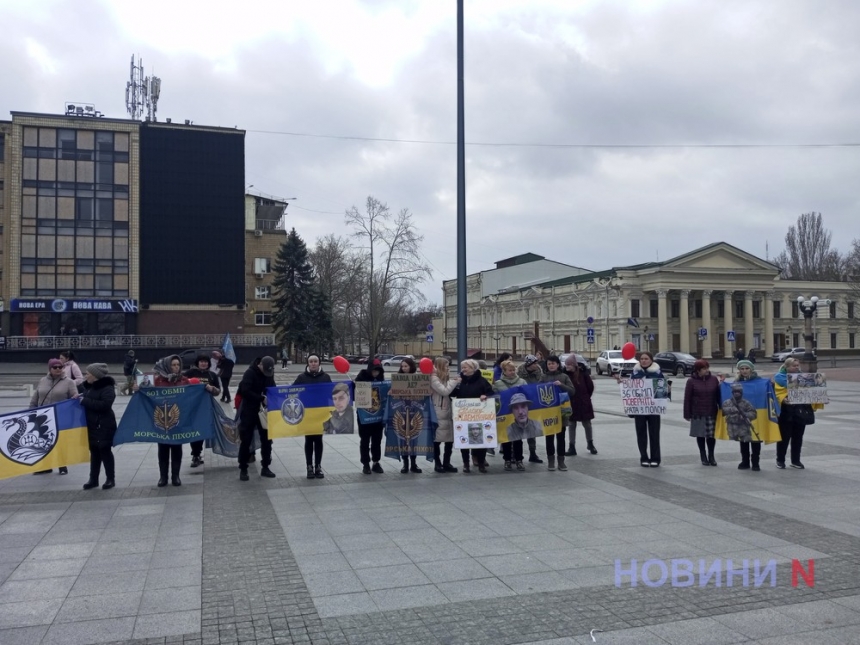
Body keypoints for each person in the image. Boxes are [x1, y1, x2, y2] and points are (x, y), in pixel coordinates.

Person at [29, 358, 78, 475]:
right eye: (55, 367)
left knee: (60, 441)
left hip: (60, 417)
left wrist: (75, 398)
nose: (58, 369)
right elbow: (35, 398)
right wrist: (31, 412)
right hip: (42, 417)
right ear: (50, 369)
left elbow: (74, 398)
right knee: (44, 441)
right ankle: (46, 466)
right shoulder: (43, 380)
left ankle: (62, 465)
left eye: (60, 367)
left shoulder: (69, 382)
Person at [450, 359, 494, 473]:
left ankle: (481, 463)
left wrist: (485, 395)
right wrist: (455, 383)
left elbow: (491, 393)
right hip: (463, 416)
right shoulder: (460, 381)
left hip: (479, 415)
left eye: (466, 367)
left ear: (473, 369)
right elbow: (451, 394)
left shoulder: (482, 381)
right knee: (463, 439)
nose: (463, 369)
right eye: (462, 367)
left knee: (480, 440)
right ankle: (466, 464)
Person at [78, 363, 118, 490]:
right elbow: (86, 398)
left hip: (104, 425)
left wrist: (84, 401)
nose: (85, 375)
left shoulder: (107, 388)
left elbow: (105, 405)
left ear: (95, 375)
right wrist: (80, 397)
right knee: (94, 452)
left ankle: (110, 479)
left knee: (105, 451)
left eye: (88, 373)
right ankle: (93, 479)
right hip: (92, 424)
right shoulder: (89, 388)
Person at [237, 356, 277, 480]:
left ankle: (265, 466)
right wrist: (261, 398)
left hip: (264, 412)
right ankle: (243, 468)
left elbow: (272, 387)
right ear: (259, 365)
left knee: (267, 439)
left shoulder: (269, 373)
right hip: (249, 410)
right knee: (246, 440)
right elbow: (245, 391)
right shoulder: (250, 373)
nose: (267, 374)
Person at [153, 355, 190, 486]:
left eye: (178, 365)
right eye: (173, 365)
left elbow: (191, 395)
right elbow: (149, 395)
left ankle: (176, 476)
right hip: (162, 420)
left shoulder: (184, 380)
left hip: (177, 420)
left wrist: (208, 388)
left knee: (176, 448)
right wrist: (138, 389)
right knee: (162, 449)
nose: (176, 367)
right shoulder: (158, 380)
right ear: (168, 366)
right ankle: (163, 477)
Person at [292, 354, 331, 479]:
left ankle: (318, 466)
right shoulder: (301, 377)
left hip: (320, 414)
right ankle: (309, 466)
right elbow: (292, 391)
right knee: (309, 440)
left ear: (319, 363)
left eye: (315, 361)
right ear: (308, 363)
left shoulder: (325, 377)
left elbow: (331, 392)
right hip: (307, 414)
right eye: (311, 361)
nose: (313, 363)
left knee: (318, 440)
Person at [774, 357, 813, 469]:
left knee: (798, 437)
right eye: (793, 366)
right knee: (784, 437)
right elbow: (776, 392)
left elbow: (810, 391)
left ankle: (796, 460)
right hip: (786, 411)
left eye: (797, 365)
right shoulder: (779, 377)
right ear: (787, 367)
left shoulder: (804, 378)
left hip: (800, 410)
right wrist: (783, 399)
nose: (796, 367)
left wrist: (819, 397)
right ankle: (780, 460)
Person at [627, 351, 664, 467]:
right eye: (642, 359)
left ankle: (655, 458)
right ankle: (643, 456)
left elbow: (662, 391)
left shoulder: (657, 373)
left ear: (651, 360)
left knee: (654, 434)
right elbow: (630, 391)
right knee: (641, 433)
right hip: (639, 409)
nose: (643, 361)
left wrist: (667, 388)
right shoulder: (635, 373)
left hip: (653, 409)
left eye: (646, 359)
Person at [184, 354, 222, 468]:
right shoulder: (189, 373)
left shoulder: (212, 375)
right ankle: (195, 455)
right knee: (194, 430)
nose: (203, 363)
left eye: (205, 362)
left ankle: (197, 453)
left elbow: (218, 391)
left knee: (201, 430)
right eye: (201, 361)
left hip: (206, 407)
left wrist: (212, 389)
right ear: (197, 363)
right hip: (193, 407)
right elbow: (181, 386)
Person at [728, 359, 764, 470]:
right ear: (739, 370)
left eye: (747, 368)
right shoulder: (736, 382)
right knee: (743, 438)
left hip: (756, 412)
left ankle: (756, 462)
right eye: (742, 369)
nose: (744, 371)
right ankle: (745, 461)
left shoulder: (759, 381)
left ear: (751, 369)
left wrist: (770, 385)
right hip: (741, 414)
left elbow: (763, 393)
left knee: (756, 439)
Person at [684, 359, 721, 467]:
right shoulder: (691, 381)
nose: (706, 370)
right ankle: (703, 456)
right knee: (700, 435)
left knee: (711, 436)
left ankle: (711, 456)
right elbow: (687, 398)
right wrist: (687, 414)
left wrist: (722, 409)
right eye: (704, 369)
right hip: (697, 412)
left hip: (711, 411)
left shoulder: (714, 379)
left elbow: (718, 395)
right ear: (698, 370)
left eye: (707, 368)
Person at [542, 355, 575, 472]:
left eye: (553, 363)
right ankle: (551, 460)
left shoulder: (564, 376)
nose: (551, 365)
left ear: (557, 365)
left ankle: (561, 461)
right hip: (548, 413)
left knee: (561, 437)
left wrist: (560, 385)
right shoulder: (543, 377)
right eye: (549, 363)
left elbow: (572, 391)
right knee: (549, 437)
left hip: (561, 412)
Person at [493, 360, 527, 470]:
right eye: (510, 370)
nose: (512, 372)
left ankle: (519, 460)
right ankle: (507, 460)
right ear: (504, 371)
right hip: (504, 413)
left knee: (518, 438)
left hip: (518, 413)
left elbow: (528, 394)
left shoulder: (521, 382)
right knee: (506, 438)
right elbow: (494, 397)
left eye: (514, 370)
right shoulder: (498, 384)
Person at [355, 359, 386, 474]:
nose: (376, 373)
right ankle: (365, 463)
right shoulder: (361, 378)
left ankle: (376, 462)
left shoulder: (381, 380)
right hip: (364, 416)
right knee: (365, 440)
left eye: (378, 371)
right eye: (374, 371)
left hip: (378, 416)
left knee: (377, 440)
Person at [429, 356, 460, 473]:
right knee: (437, 440)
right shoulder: (434, 378)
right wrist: (454, 381)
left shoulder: (444, 378)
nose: (448, 368)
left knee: (449, 439)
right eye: (446, 366)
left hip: (446, 410)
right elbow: (444, 391)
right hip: (438, 411)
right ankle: (438, 463)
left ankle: (447, 463)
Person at [394, 357, 423, 473]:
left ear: (411, 366)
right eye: (402, 366)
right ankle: (405, 464)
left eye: (406, 366)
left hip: (415, 411)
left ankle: (414, 463)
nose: (404, 368)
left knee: (414, 440)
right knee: (403, 440)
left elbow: (423, 393)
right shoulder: (398, 378)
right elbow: (394, 394)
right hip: (402, 411)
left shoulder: (418, 378)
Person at [564, 355, 597, 456]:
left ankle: (590, 444)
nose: (567, 366)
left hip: (583, 402)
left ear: (574, 365)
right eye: (566, 364)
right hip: (571, 403)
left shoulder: (583, 374)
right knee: (571, 425)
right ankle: (572, 446)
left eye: (569, 364)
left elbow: (590, 387)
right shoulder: (565, 375)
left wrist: (585, 397)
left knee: (587, 424)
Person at [516, 355, 545, 463]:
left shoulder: (539, 374)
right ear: (528, 364)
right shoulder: (518, 375)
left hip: (533, 405)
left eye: (536, 363)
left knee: (531, 430)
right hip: (519, 405)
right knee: (517, 429)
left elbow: (542, 386)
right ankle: (515, 454)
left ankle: (533, 453)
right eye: (534, 363)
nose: (536, 365)